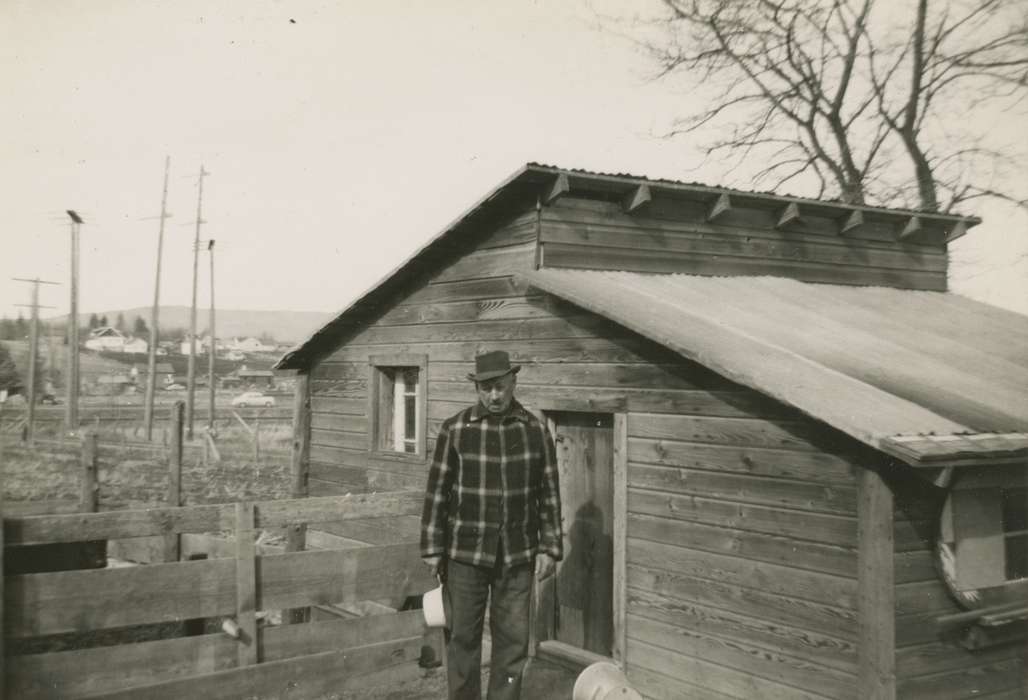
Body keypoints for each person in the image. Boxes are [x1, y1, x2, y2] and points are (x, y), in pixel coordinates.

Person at [421, 350, 563, 700]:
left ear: (513, 382)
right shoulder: (455, 429)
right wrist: (432, 548)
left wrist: (550, 546)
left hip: (517, 555)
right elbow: (437, 491)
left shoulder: (535, 431)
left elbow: (549, 492)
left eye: (500, 387)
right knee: (462, 639)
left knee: (513, 643)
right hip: (465, 554)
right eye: (486, 388)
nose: (494, 396)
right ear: (477, 389)